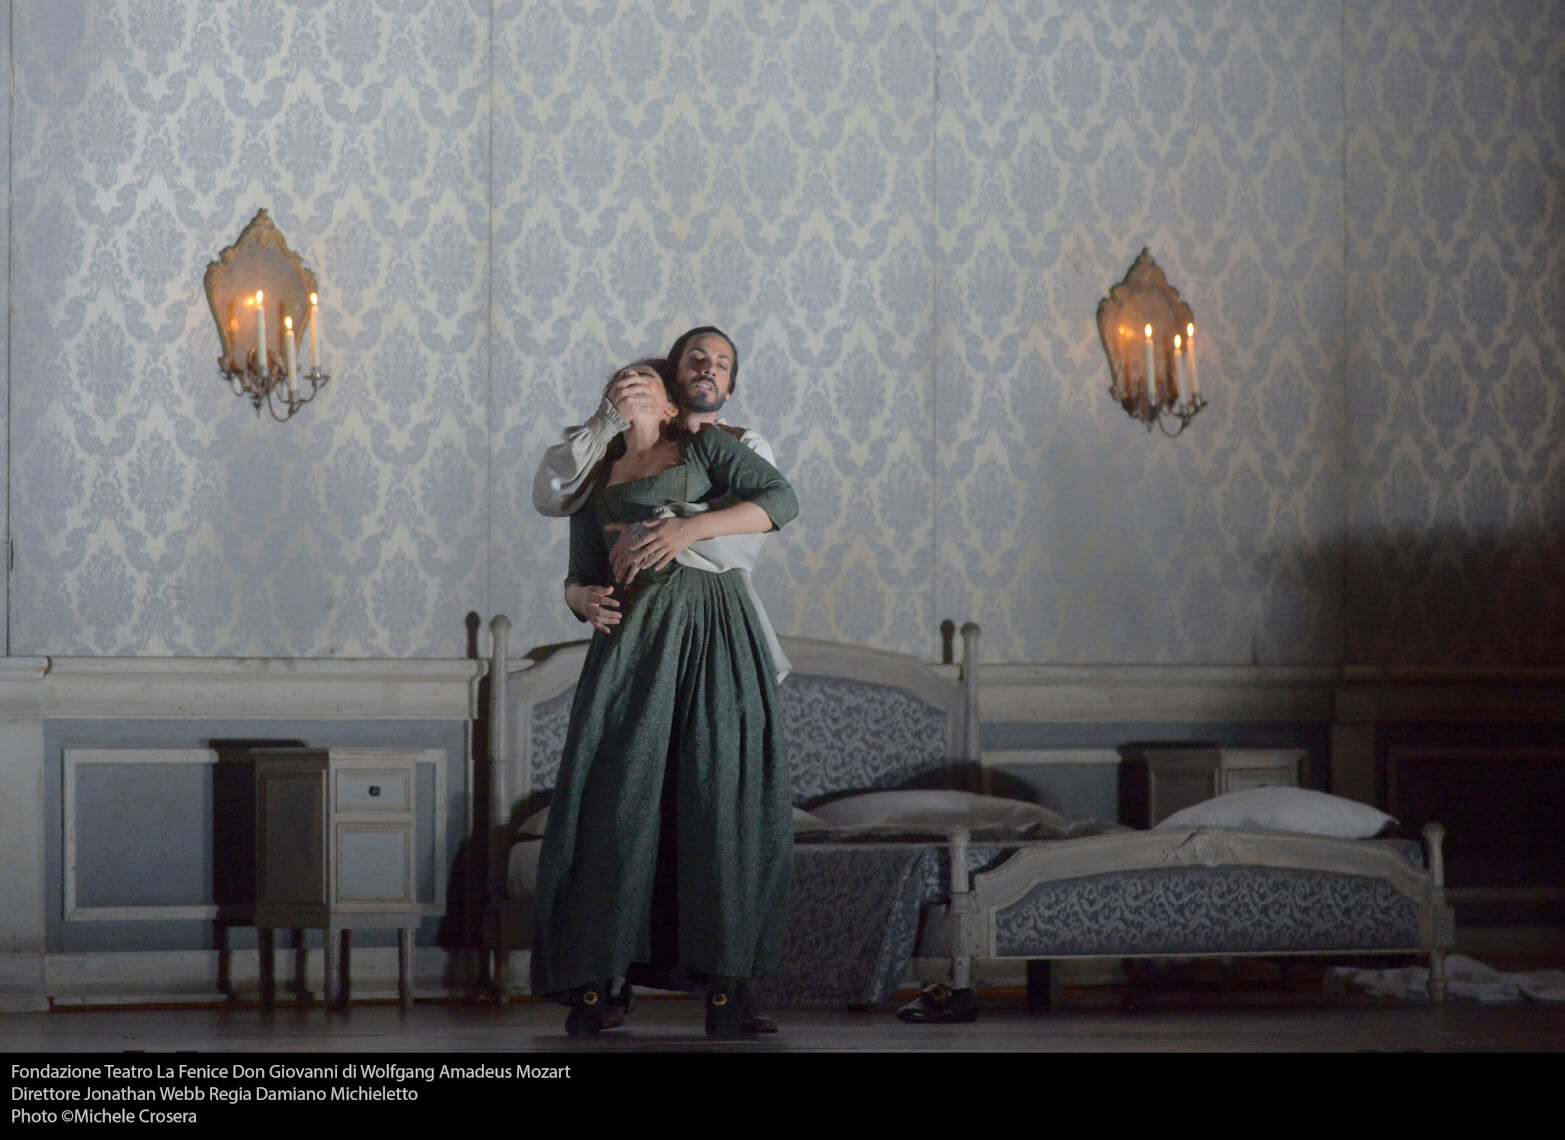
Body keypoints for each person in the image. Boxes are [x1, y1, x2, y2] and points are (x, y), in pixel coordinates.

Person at [529, 360, 799, 1038]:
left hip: (713, 635)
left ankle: (727, 989)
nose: (631, 383)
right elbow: (580, 574)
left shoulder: (704, 448)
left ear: (669, 398)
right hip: (632, 646)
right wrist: (580, 600)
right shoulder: (598, 472)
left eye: (644, 377)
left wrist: (686, 529)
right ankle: (598, 979)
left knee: (716, 793)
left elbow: (780, 501)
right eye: (620, 379)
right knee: (615, 801)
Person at [532, 326, 790, 679]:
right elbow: (575, 551)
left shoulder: (730, 445)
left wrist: (655, 528)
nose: (708, 369)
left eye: (722, 365)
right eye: (696, 359)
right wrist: (580, 598)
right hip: (632, 630)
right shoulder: (599, 470)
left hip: (709, 617)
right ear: (675, 374)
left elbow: (753, 528)